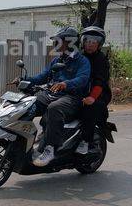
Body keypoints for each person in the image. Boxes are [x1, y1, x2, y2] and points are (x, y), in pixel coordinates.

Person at [21, 26, 90, 167]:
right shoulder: (57, 60)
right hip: (53, 94)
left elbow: (83, 79)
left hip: (72, 98)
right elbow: (43, 76)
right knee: (29, 103)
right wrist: (25, 79)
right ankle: (24, 140)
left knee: (54, 108)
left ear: (71, 43)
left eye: (59, 41)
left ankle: (50, 149)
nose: (55, 44)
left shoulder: (82, 61)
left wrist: (66, 84)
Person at [76, 26, 111, 155]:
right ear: (83, 42)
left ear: (99, 44)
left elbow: (99, 81)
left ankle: (85, 141)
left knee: (89, 108)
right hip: (80, 92)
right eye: (88, 41)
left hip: (98, 94)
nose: (90, 45)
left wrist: (93, 97)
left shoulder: (101, 60)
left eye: (93, 42)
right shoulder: (78, 56)